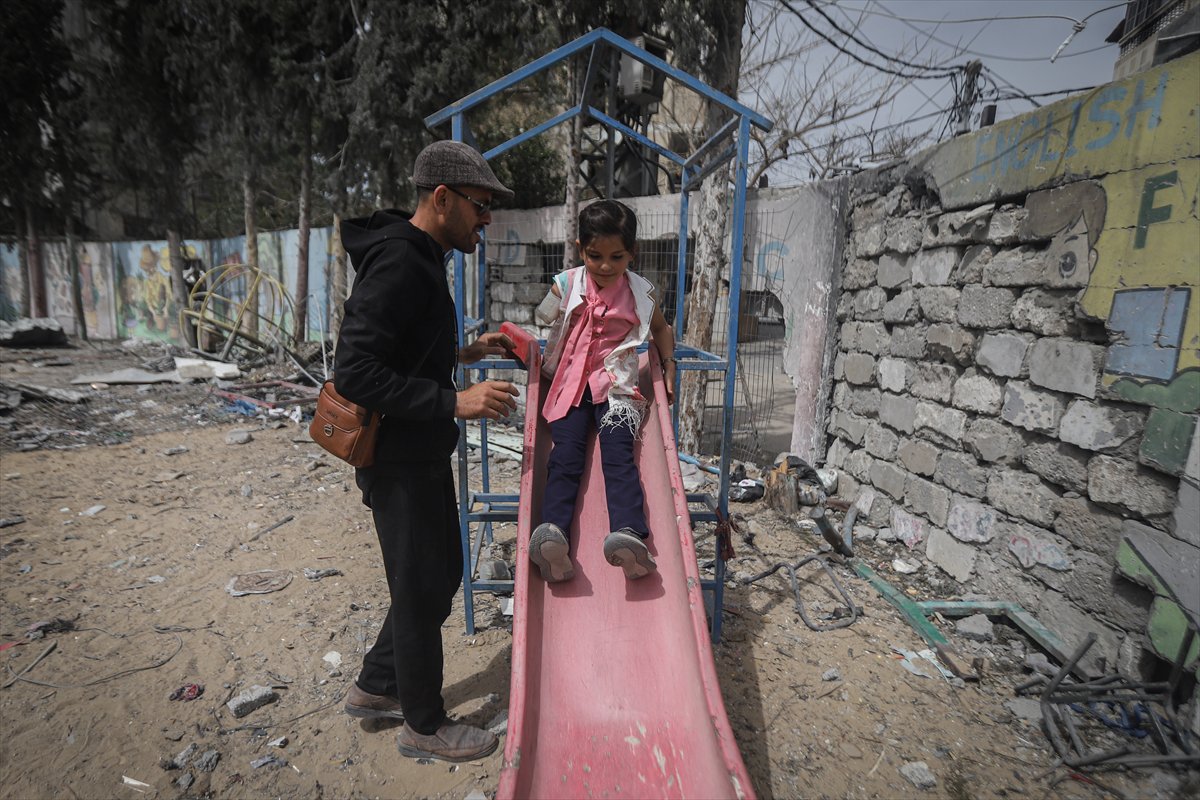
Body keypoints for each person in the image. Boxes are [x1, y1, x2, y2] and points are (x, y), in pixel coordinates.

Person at [332, 140, 519, 763]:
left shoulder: (422, 257)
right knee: (419, 587)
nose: (486, 218)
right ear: (441, 198)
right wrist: (455, 401)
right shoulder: (400, 263)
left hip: (420, 451)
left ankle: (377, 685)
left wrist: (462, 353)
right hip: (398, 460)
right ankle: (423, 723)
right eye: (480, 205)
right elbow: (355, 371)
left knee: (438, 577)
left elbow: (402, 349)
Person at [528, 199, 676, 584]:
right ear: (580, 248)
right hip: (571, 387)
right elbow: (542, 316)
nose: (606, 266)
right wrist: (550, 308)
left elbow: (661, 329)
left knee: (618, 457)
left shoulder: (641, 293)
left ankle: (628, 535)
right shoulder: (569, 283)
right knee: (565, 458)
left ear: (632, 253)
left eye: (617, 257)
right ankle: (553, 537)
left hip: (616, 389)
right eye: (595, 256)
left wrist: (669, 363)